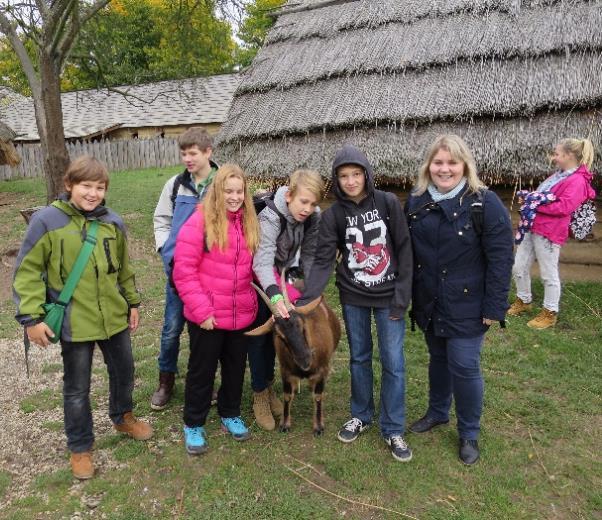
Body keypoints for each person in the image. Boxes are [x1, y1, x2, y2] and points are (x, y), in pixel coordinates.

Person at [13, 156, 152, 480]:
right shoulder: (46, 221)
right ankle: (80, 447)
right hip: (76, 321)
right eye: (86, 186)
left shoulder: (113, 223)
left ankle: (122, 417)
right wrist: (31, 319)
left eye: (99, 187)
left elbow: (124, 268)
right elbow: (28, 271)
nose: (92, 193)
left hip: (113, 318)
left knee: (125, 372)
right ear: (69, 185)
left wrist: (132, 302)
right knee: (77, 388)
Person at [296, 145, 413, 462]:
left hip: (389, 296)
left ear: (366, 174)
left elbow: (403, 248)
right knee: (359, 357)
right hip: (354, 296)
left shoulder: (387, 203)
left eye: (356, 174)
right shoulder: (334, 215)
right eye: (344, 176)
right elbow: (322, 261)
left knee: (393, 361)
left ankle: (393, 428)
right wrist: (308, 298)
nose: (350, 181)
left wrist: (402, 295)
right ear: (337, 179)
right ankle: (361, 414)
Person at [405, 134, 513, 465]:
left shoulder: (484, 202)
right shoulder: (416, 202)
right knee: (438, 359)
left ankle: (469, 433)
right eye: (438, 162)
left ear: (464, 165)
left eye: (452, 162)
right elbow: (409, 253)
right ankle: (438, 412)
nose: (445, 169)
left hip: (468, 303)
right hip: (430, 300)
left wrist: (494, 306)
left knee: (464, 365)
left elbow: (501, 257)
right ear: (428, 166)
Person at [172, 164, 260, 455]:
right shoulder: (200, 221)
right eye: (228, 191)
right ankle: (194, 423)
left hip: (240, 313)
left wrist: (286, 295)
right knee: (202, 371)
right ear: (217, 191)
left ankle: (230, 412)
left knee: (235, 369)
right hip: (207, 316)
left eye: (239, 191)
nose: (234, 197)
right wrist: (201, 310)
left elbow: (257, 268)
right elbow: (183, 270)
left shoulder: (249, 222)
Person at [248, 169, 324, 430]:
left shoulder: (314, 218)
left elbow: (309, 258)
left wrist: (293, 296)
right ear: (290, 195)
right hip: (261, 281)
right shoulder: (270, 218)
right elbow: (262, 261)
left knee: (284, 336)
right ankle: (260, 393)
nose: (308, 208)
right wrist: (276, 297)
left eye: (313, 203)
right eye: (304, 201)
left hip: (288, 280)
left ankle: (269, 386)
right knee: (261, 339)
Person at [151, 128, 218, 410]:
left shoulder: (222, 183)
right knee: (171, 328)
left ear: (207, 152)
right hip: (180, 272)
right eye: (183, 153)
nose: (187, 159)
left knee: (205, 333)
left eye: (193, 153)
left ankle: (202, 380)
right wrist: (167, 253)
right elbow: (161, 220)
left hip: (212, 274)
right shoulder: (175, 185)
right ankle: (165, 381)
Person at [508, 138, 596, 329]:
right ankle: (524, 301)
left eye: (557, 154)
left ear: (569, 155)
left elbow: (565, 206)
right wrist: (532, 202)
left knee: (548, 273)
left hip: (549, 231)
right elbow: (543, 198)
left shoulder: (577, 181)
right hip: (532, 226)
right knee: (518, 266)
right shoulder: (558, 176)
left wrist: (534, 206)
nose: (553, 157)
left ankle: (550, 312)